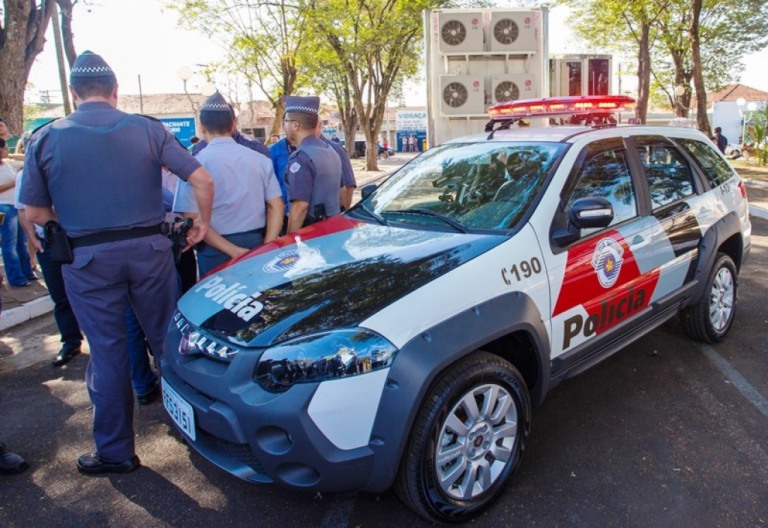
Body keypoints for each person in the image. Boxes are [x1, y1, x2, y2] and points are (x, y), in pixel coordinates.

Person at [20, 50, 214, 476]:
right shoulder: (148, 129)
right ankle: (197, 429)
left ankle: (115, 452)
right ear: (115, 90)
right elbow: (201, 178)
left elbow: (33, 213)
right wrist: (201, 223)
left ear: (74, 93)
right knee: (167, 343)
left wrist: (69, 224)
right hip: (150, 252)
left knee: (107, 354)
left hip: (87, 260)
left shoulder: (47, 137)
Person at [175, 91, 283, 277]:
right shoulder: (259, 160)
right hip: (255, 244)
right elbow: (277, 205)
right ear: (234, 125)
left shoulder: (194, 166)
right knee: (256, 302)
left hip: (213, 247)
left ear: (201, 127)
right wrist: (267, 246)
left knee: (216, 304)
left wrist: (232, 251)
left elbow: (192, 217)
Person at [283, 96, 342, 232]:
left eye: (285, 121)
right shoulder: (330, 150)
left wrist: (290, 241)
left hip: (312, 233)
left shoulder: (301, 157)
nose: (283, 125)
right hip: (333, 228)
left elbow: (300, 206)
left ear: (295, 125)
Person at [0, 138, 36, 287]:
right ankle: (16, 277)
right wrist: (14, 182)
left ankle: (27, 272)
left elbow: (27, 158)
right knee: (10, 244)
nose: (7, 149)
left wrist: (11, 156)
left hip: (15, 205)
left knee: (22, 242)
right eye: (5, 147)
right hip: (3, 206)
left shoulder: (8, 163)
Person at [316, 121, 357, 210]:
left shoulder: (335, 148)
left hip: (329, 217)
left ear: (319, 126)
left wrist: (340, 216)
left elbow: (348, 185)